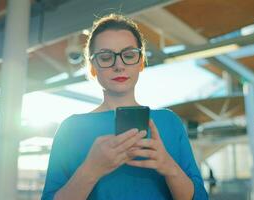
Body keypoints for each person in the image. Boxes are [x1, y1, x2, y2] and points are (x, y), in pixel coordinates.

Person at [41, 13, 208, 200]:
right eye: (105, 57)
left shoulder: (169, 122)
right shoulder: (70, 129)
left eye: (128, 55)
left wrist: (169, 167)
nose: (119, 65)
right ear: (93, 66)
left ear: (141, 62)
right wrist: (90, 171)